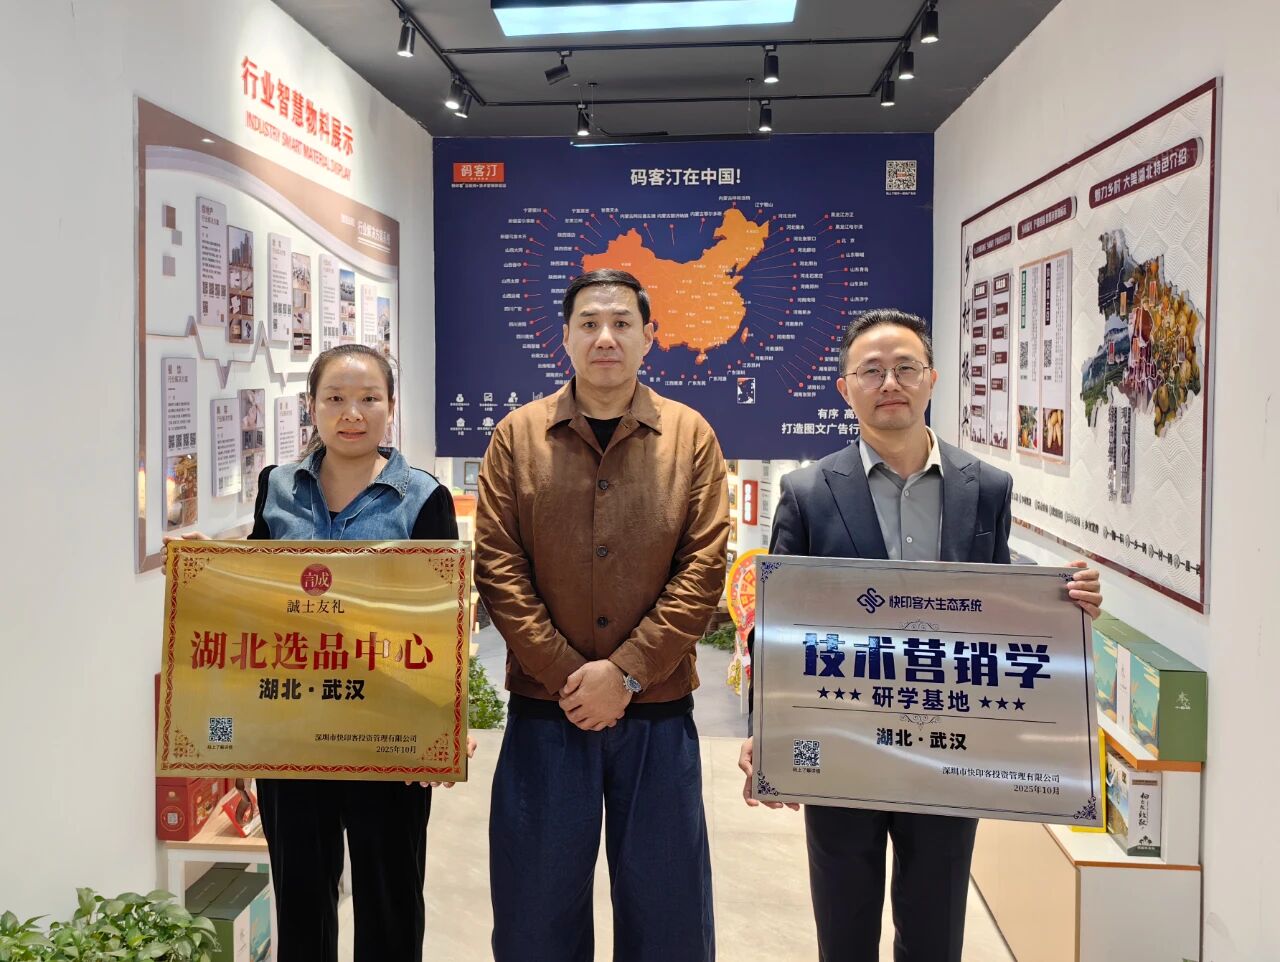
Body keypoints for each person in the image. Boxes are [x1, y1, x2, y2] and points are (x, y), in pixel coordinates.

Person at [737, 309, 1102, 962]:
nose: (890, 383)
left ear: (932, 379)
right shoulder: (807, 491)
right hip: (842, 742)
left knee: (935, 931)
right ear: (845, 388)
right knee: (843, 929)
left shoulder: (985, 488)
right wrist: (766, 733)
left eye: (905, 367)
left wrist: (1063, 608)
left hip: (948, 747)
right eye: (871, 371)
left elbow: (996, 609)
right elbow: (778, 626)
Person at [168, 343, 474, 962]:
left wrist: (447, 722)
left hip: (389, 729)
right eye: (335, 398)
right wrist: (210, 568)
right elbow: (260, 594)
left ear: (391, 407)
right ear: (312, 406)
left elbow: (445, 618)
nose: (351, 413)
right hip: (293, 729)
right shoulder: (277, 487)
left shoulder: (424, 497)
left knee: (390, 899)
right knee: (302, 901)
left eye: (368, 399)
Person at [475, 269, 728, 962]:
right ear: (565, 337)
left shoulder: (690, 436)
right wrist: (568, 674)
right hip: (545, 711)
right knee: (535, 917)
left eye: (622, 323)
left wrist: (627, 673)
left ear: (650, 337)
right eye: (589, 324)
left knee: (668, 917)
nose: (606, 338)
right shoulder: (517, 437)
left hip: (658, 714)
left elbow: (704, 568)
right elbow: (497, 564)